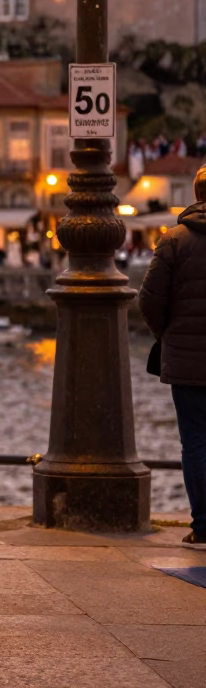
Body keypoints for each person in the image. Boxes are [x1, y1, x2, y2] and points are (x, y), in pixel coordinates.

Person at [138, 164, 206, 549]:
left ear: (195, 195)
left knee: (195, 441)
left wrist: (167, 334)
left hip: (187, 362)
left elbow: (149, 298)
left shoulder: (174, 239)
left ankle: (203, 526)